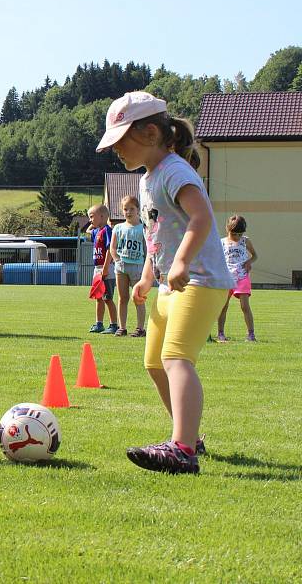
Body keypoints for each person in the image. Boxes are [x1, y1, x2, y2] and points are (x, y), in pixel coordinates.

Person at [97, 91, 233, 474]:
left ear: (151, 132)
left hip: (201, 281)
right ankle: (189, 435)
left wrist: (184, 262)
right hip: (168, 284)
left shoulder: (175, 171)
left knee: (176, 359)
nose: (116, 151)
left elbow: (202, 217)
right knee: (155, 363)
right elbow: (157, 234)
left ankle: (183, 450)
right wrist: (146, 276)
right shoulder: (146, 180)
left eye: (121, 141)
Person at [109, 195, 147, 337]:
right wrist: (117, 260)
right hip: (121, 267)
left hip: (137, 266)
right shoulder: (118, 228)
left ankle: (140, 328)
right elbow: (113, 247)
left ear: (138, 210)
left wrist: (147, 267)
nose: (128, 212)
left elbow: (147, 248)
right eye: (125, 209)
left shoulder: (143, 228)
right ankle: (122, 327)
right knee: (122, 297)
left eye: (132, 209)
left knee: (138, 297)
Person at [217, 215, 258, 342]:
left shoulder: (245, 241)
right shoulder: (221, 242)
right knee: (223, 306)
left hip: (242, 277)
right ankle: (221, 334)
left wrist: (249, 262)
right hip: (227, 278)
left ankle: (251, 335)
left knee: (245, 306)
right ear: (227, 229)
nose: (237, 237)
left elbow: (255, 255)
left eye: (240, 234)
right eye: (235, 234)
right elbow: (217, 259)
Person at [87, 204, 118, 334]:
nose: (90, 220)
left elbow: (109, 250)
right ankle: (99, 323)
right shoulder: (96, 231)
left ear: (102, 216)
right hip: (97, 269)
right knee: (98, 297)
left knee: (107, 298)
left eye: (92, 217)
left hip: (106, 269)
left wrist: (105, 268)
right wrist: (93, 222)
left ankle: (114, 324)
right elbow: (88, 231)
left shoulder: (107, 231)